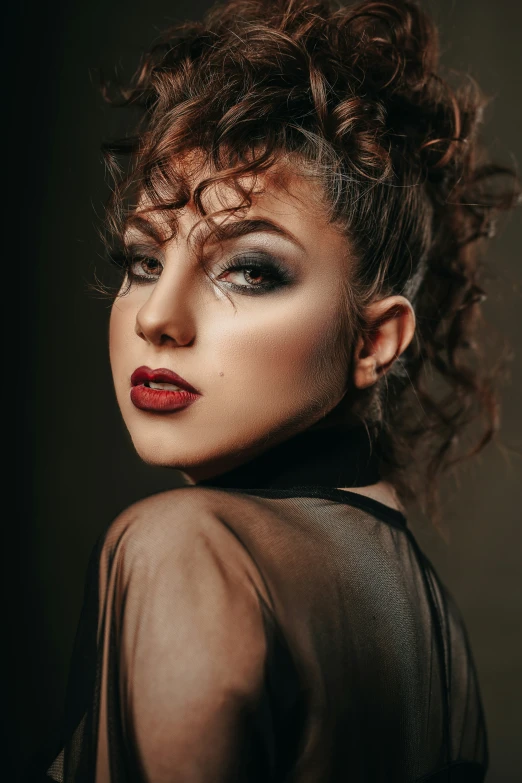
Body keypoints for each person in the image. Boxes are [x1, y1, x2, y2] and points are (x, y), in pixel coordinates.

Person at [35, 0, 519, 780]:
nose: (158, 317)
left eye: (249, 270)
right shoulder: (434, 630)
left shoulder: (187, 550)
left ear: (375, 340)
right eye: (143, 261)